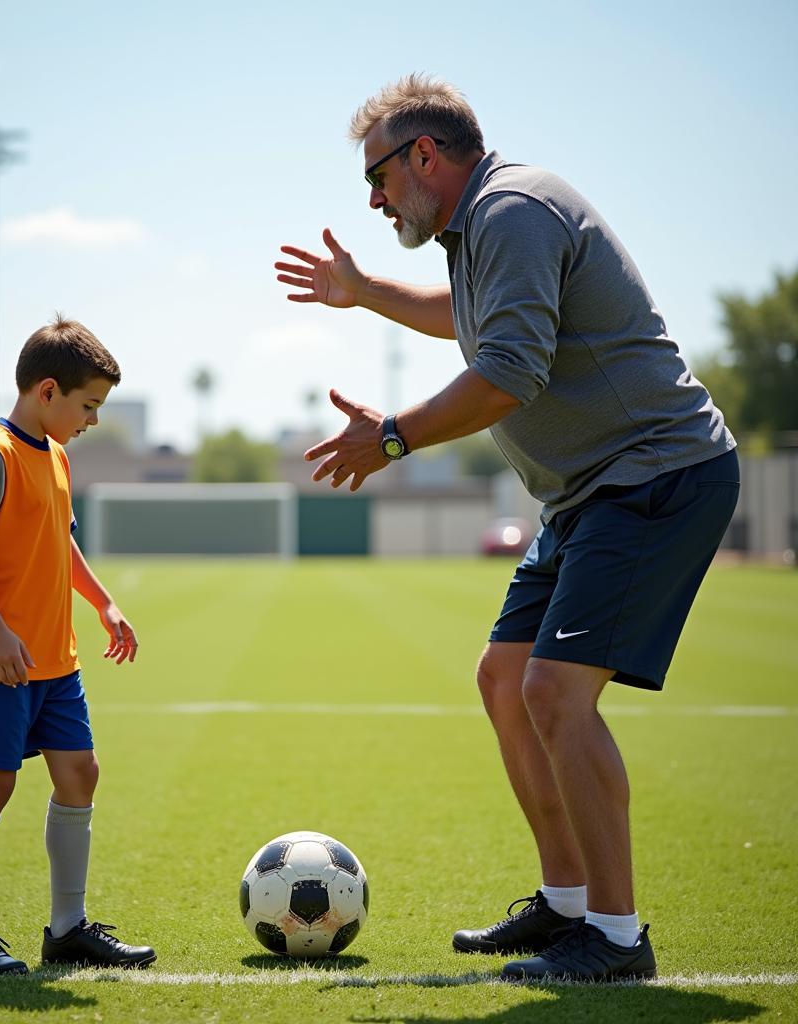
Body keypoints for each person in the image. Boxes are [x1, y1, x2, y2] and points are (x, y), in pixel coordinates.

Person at [275, 74, 739, 982]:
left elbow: (509, 373)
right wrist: (366, 291)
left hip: (653, 473)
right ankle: (566, 904)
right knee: (506, 678)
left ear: (424, 155)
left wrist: (395, 437)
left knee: (557, 694)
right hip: (586, 493)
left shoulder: (513, 210)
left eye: (376, 177)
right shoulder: (480, 226)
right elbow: (470, 320)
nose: (372, 199)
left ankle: (614, 937)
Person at [0, 315, 155, 974]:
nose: (92, 419)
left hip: (56, 661)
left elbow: (59, 540)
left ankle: (67, 928)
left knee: (80, 774)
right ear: (48, 391)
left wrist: (104, 602)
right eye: (88, 405)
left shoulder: (56, 456)